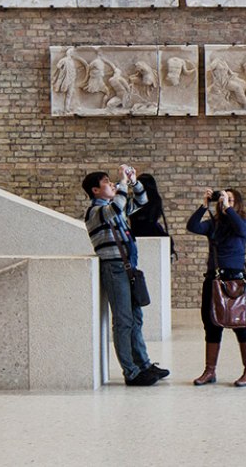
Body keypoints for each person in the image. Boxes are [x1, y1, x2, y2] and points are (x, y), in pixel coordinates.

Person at [82, 164, 166, 386]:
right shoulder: (96, 212)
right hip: (114, 268)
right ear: (95, 191)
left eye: (112, 182)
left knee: (136, 318)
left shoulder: (113, 207)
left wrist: (133, 182)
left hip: (128, 267)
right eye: (106, 183)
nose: (111, 185)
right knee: (123, 321)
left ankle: (144, 364)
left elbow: (141, 201)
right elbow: (118, 208)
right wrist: (121, 182)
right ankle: (131, 372)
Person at [187, 187, 246, 387]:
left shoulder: (242, 224)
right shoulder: (213, 225)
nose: (226, 202)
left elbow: (242, 231)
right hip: (213, 280)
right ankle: (210, 371)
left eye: (232, 199)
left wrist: (228, 208)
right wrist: (203, 205)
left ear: (238, 204)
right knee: (211, 325)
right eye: (224, 200)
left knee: (242, 325)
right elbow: (192, 226)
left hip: (235, 281)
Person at [127, 173, 176, 261]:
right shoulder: (155, 198)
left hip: (136, 230)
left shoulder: (136, 199)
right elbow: (154, 217)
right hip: (151, 229)